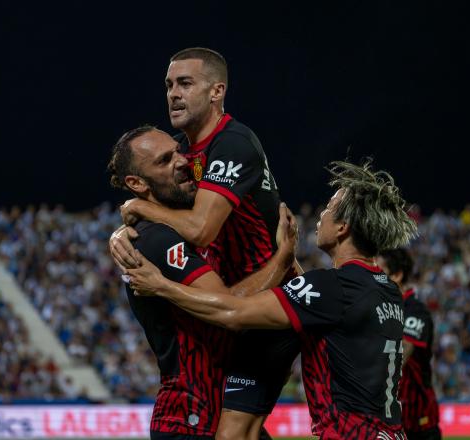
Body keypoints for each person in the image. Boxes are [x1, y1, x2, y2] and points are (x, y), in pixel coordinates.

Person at [124, 160, 418, 439]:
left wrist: (162, 286)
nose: (321, 215)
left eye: (329, 208)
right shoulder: (386, 288)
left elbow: (233, 312)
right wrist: (287, 258)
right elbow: (320, 305)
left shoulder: (333, 287)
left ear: (343, 228)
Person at [109, 47, 299, 439]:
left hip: (265, 308)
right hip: (227, 320)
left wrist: (138, 208)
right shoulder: (187, 153)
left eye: (185, 83)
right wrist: (125, 223)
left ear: (217, 92)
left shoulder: (231, 143)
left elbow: (199, 230)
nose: (173, 94)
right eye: (168, 85)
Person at [377, 249, 441, 440]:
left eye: (379, 273)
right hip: (389, 418)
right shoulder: (380, 309)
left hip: (418, 419)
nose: (373, 280)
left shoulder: (415, 311)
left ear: (397, 275)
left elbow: (401, 354)